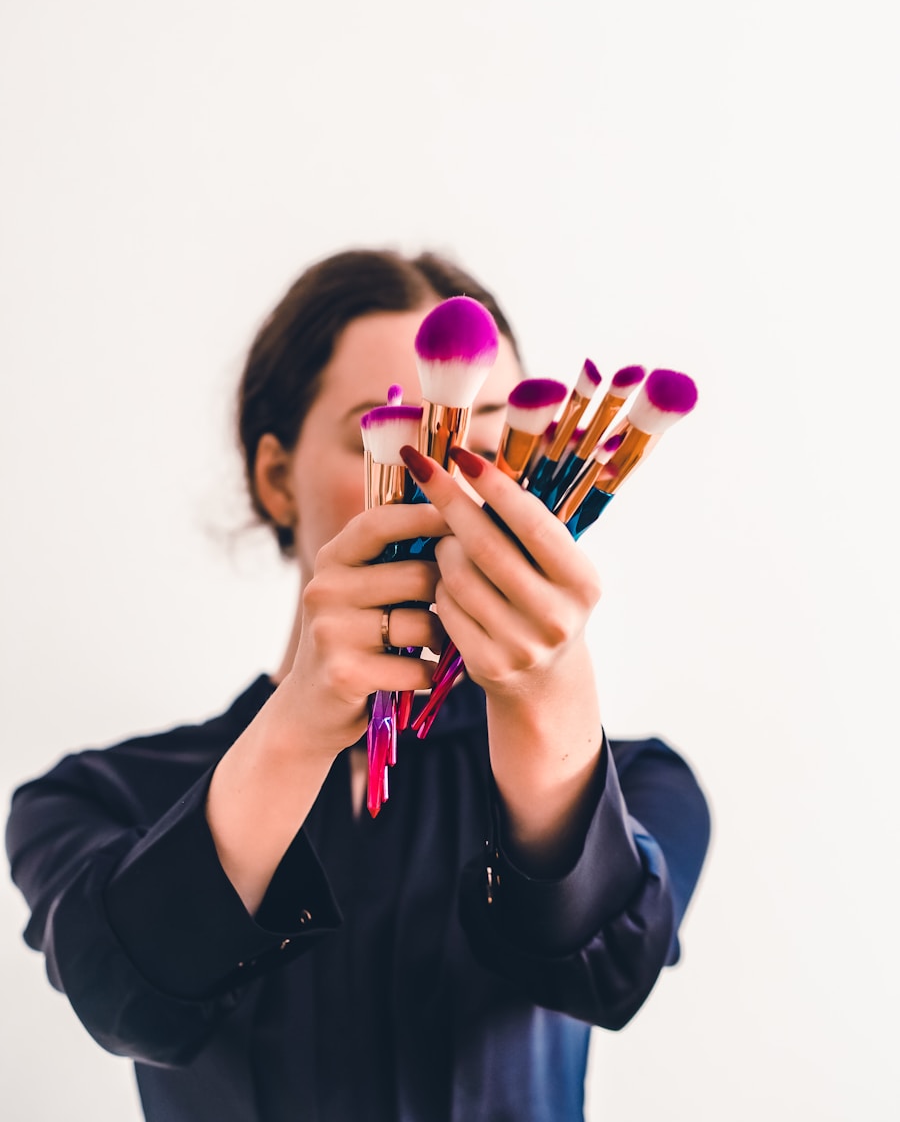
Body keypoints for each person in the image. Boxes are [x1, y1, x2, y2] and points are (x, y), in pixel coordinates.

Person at [6, 248, 710, 1122]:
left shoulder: (641, 787)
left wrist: (547, 691)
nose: (450, 482)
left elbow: (610, 971)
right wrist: (299, 725)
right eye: (398, 438)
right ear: (276, 478)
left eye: (494, 435)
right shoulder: (94, 797)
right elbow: (130, 995)